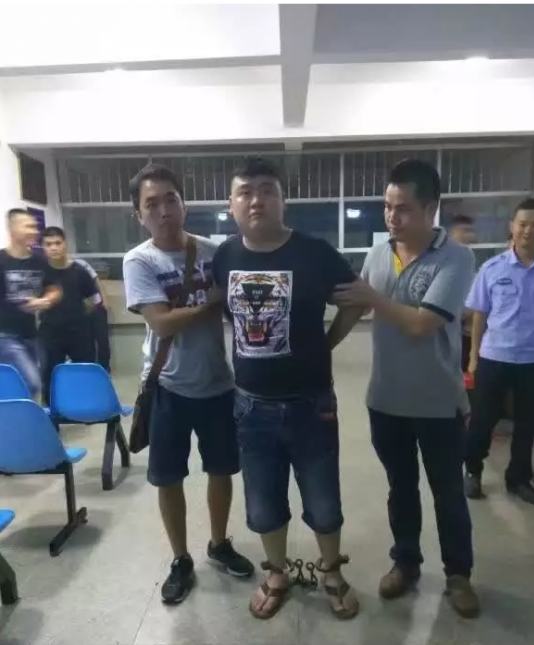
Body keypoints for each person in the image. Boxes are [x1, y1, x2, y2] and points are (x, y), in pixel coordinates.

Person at [330, 159, 479, 618]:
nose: (392, 218)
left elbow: (421, 324)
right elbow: (355, 309)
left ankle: (458, 575)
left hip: (438, 403)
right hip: (386, 400)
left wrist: (372, 298)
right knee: (401, 487)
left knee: (448, 492)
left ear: (431, 209)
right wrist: (321, 347)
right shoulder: (380, 253)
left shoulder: (456, 258)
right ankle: (406, 563)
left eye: (404, 208)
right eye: (387, 207)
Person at [212, 156, 359, 620]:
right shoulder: (225, 257)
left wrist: (326, 343)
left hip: (311, 403)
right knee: (263, 504)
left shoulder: (314, 252)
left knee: (324, 501)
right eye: (245, 192)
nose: (256, 200)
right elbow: (228, 312)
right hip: (250, 405)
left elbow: (356, 299)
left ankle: (331, 572)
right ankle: (277, 573)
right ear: (231, 204)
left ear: (282, 200)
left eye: (267, 190)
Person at [123, 164, 253, 605]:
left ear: (184, 204)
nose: (163, 210)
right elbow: (161, 323)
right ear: (139, 214)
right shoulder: (139, 260)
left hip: (218, 384)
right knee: (169, 478)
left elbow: (239, 306)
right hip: (167, 388)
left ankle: (218, 543)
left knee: (222, 470)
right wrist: (210, 303)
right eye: (151, 204)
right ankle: (180, 559)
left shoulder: (216, 253)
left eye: (170, 199)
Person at [464, 198, 534, 506]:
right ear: (512, 226)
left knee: (528, 425)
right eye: (523, 224)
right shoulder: (492, 268)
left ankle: (518, 480)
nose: (528, 230)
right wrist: (473, 357)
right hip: (494, 357)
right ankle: (473, 471)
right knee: (482, 420)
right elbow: (479, 315)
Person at [0, 209, 61, 398]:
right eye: (28, 226)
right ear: (13, 229)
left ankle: (16, 412)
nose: (34, 231)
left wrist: (45, 300)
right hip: (5, 335)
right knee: (32, 382)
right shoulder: (1, 260)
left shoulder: (39, 260)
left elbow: (54, 289)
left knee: (31, 383)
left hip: (31, 334)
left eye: (35, 226)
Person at [40, 227, 97, 404]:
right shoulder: (41, 274)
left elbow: (92, 301)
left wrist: (76, 316)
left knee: (85, 372)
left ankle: (85, 408)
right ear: (43, 247)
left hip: (79, 332)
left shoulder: (80, 271)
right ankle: (51, 412)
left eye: (57, 243)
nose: (54, 247)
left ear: (65, 244)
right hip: (50, 333)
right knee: (49, 375)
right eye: (49, 244)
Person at [448, 215, 477, 372]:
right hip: (447, 326)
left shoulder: (468, 257)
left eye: (471, 231)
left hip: (465, 329)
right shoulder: (446, 259)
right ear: (453, 232)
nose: (469, 235)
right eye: (465, 230)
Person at [76, 259, 111, 372]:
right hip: (80, 310)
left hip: (96, 305)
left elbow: (96, 280)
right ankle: (90, 369)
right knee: (87, 341)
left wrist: (104, 299)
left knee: (102, 339)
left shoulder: (80, 263)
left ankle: (105, 368)